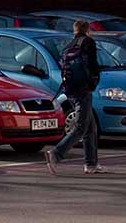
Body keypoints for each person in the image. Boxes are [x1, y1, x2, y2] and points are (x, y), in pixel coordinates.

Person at [44, 19, 101, 174]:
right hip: (83, 89)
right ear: (87, 30)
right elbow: (92, 64)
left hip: (70, 89)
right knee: (81, 127)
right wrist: (94, 82)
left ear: (74, 31)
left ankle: (91, 164)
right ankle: (56, 153)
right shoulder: (88, 42)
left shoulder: (68, 46)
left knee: (91, 127)